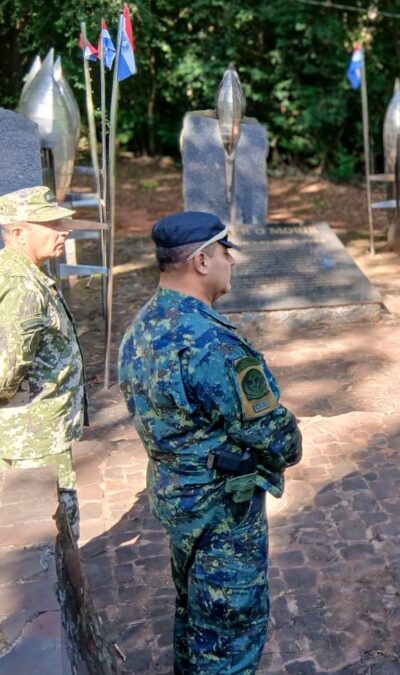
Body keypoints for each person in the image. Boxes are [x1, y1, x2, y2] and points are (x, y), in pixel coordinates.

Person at [118, 211, 302, 673]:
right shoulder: (211, 343)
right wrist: (290, 441)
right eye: (225, 253)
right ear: (202, 261)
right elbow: (275, 436)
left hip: (178, 500)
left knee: (194, 614)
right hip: (222, 513)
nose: (231, 262)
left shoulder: (143, 324)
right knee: (228, 637)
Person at [0, 186, 86, 538]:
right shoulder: (21, 285)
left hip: (38, 431)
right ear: (18, 232)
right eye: (51, 224)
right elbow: (4, 372)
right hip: (31, 438)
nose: (64, 230)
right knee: (51, 533)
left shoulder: (26, 273)